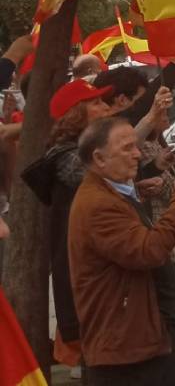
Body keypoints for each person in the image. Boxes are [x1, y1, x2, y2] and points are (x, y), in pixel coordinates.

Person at [68, 116, 175, 385]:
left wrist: (136, 196)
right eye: (127, 148)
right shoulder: (98, 204)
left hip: (137, 337)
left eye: (136, 146)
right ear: (99, 158)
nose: (137, 154)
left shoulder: (111, 193)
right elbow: (148, 250)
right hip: (126, 349)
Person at [19, 79, 113, 372]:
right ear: (76, 114)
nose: (106, 107)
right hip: (82, 270)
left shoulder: (76, 154)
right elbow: (109, 175)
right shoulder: (69, 159)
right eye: (96, 103)